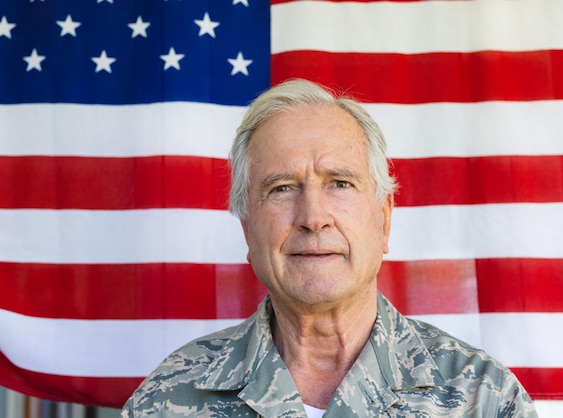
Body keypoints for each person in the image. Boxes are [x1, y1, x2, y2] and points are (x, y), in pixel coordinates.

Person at [121, 79, 538, 417]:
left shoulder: (482, 398)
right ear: (247, 228)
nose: (313, 216)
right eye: (281, 188)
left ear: (384, 218)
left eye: (340, 183)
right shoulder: (170, 396)